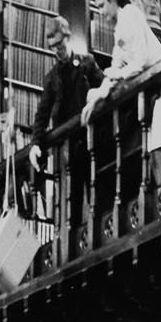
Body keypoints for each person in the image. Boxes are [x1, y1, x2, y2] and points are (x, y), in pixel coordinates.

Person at [82, 0, 161, 185]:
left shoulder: (130, 15)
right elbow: (116, 67)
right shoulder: (119, 28)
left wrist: (117, 74)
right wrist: (95, 100)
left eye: (103, 5)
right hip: (156, 96)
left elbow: (139, 62)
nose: (102, 12)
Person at [28, 15, 104, 238]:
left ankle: (97, 237)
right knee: (72, 199)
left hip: (92, 139)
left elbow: (105, 90)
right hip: (69, 149)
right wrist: (35, 143)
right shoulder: (51, 79)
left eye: (60, 45)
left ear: (68, 38)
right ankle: (75, 242)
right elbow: (41, 115)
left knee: (96, 192)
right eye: (53, 48)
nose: (57, 51)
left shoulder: (87, 63)